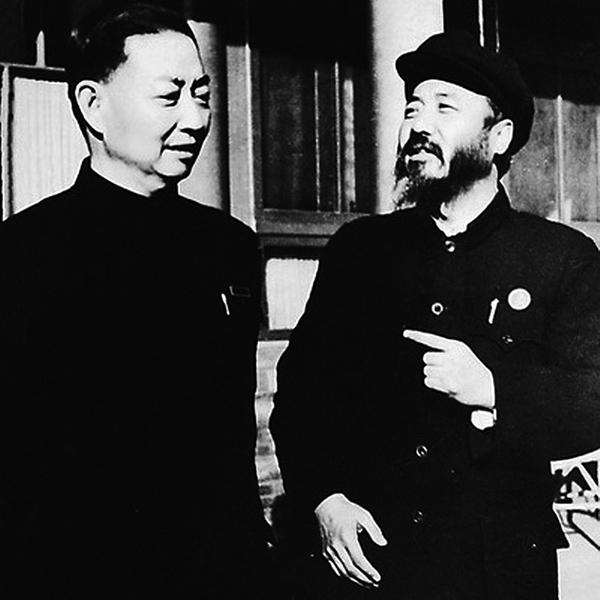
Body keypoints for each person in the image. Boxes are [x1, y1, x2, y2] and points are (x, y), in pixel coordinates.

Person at [270, 31, 600, 599]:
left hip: (496, 573)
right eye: (412, 109)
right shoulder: (359, 251)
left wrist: (493, 388)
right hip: (372, 563)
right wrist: (324, 499)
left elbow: (593, 398)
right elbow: (302, 395)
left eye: (445, 107)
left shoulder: (560, 258)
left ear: (498, 137)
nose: (418, 124)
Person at [0, 4, 270, 598]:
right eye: (169, 97)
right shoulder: (24, 254)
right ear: (93, 105)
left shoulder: (229, 247)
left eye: (202, 95)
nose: (195, 118)